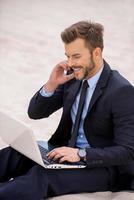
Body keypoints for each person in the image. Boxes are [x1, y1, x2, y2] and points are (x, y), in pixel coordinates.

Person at [0, 21, 134, 200]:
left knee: (42, 176)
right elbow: (35, 113)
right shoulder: (73, 78)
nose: (70, 63)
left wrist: (80, 154)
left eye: (76, 56)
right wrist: (51, 84)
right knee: (13, 154)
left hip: (103, 168)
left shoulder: (121, 91)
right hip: (66, 153)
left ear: (97, 52)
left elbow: (128, 150)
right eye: (68, 56)